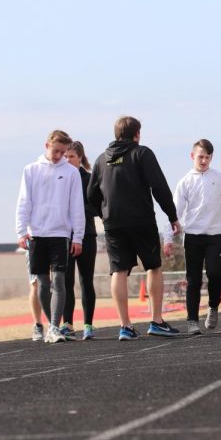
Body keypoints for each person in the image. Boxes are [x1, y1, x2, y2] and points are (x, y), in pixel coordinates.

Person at [88, 116, 182, 340]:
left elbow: (91, 195)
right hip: (141, 220)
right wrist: (172, 215)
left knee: (118, 271)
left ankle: (125, 326)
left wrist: (104, 214)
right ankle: (157, 321)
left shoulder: (102, 160)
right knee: (153, 267)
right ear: (137, 134)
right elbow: (159, 185)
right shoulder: (142, 153)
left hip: (113, 224)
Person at [16, 130, 85, 344]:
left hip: (60, 234)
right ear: (46, 145)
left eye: (63, 152)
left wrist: (78, 236)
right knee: (42, 283)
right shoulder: (31, 170)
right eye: (56, 151)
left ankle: (55, 325)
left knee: (59, 280)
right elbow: (24, 202)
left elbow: (76, 206)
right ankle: (51, 326)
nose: (58, 156)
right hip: (37, 234)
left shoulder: (71, 173)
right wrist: (21, 231)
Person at [163, 139, 221, 336]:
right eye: (200, 157)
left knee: (216, 274)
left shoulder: (220, 179)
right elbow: (174, 212)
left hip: (216, 235)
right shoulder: (185, 182)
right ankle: (192, 320)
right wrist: (168, 238)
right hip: (193, 236)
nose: (204, 161)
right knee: (193, 279)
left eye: (207, 157)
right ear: (193, 156)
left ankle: (213, 306)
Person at [61, 141, 99, 340]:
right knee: (65, 281)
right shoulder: (59, 178)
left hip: (87, 236)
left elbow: (97, 208)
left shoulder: (89, 178)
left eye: (72, 157)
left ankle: (88, 325)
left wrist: (76, 210)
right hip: (64, 237)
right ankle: (67, 323)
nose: (68, 160)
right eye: (65, 157)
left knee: (86, 281)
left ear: (81, 158)